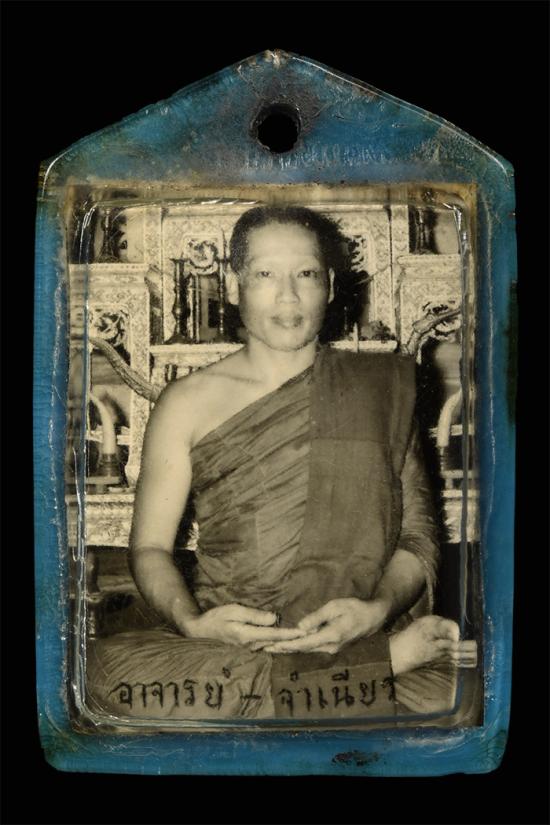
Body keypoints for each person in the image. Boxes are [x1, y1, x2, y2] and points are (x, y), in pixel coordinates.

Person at [87, 205, 476, 722]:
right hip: (236, 645)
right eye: (266, 274)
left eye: (306, 274)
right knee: (101, 676)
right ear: (234, 286)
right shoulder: (185, 403)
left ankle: (352, 671)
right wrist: (193, 623)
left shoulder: (381, 389)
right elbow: (151, 548)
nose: (288, 296)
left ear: (330, 286)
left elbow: (417, 536)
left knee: (467, 695)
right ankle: (374, 670)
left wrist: (377, 609)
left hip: (352, 633)